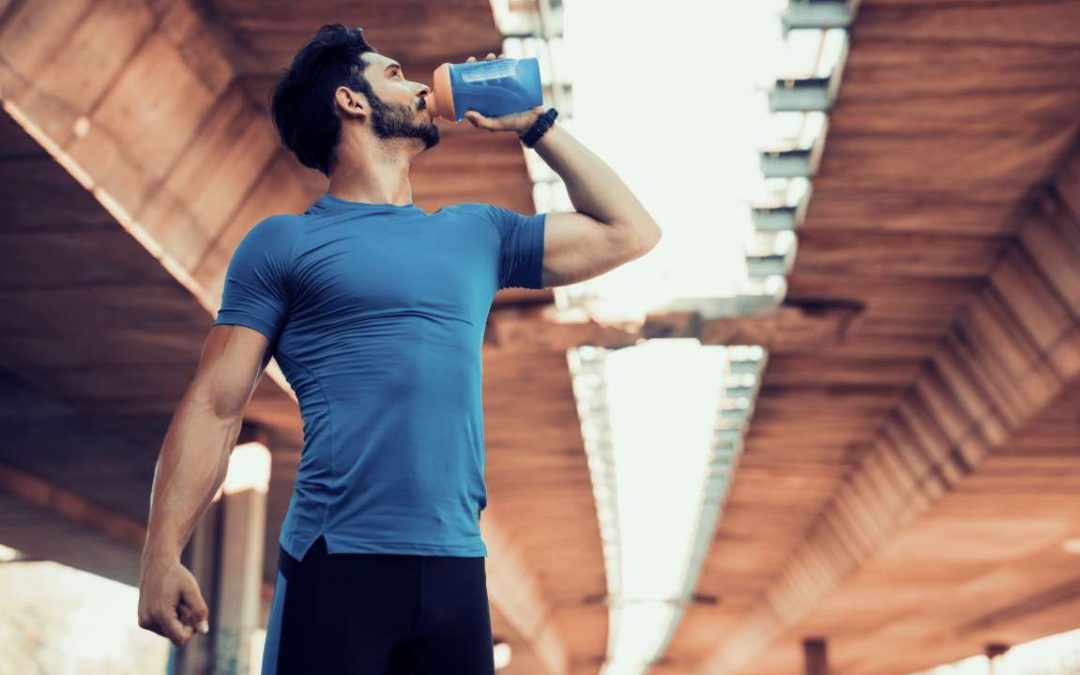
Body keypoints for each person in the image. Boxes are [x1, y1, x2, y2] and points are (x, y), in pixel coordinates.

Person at [137, 23, 661, 674]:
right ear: (350, 102)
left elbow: (630, 231)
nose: (419, 84)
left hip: (457, 569)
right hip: (337, 562)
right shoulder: (282, 245)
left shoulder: (478, 232)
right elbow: (216, 404)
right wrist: (161, 555)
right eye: (394, 74)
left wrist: (536, 125)